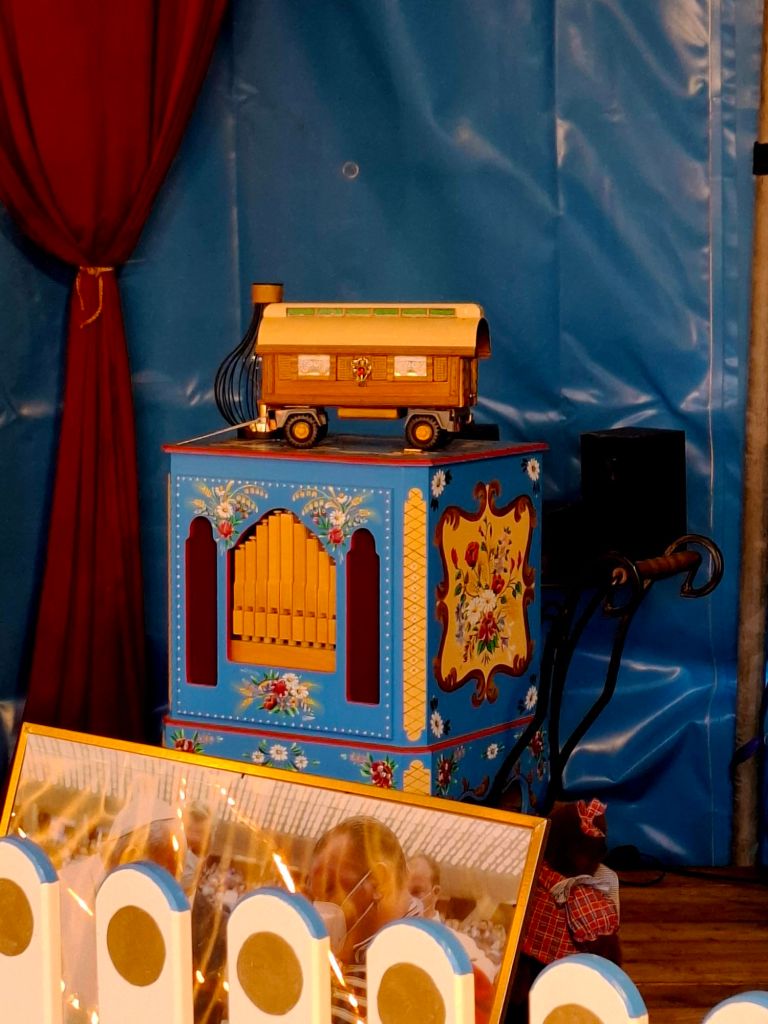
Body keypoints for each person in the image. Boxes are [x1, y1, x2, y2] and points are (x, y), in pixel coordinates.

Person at [309, 817, 493, 1024]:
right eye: (316, 897)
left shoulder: (450, 976)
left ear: (379, 882)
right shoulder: (337, 966)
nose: (319, 911)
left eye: (330, 889)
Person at [58, 792, 186, 1023]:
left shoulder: (142, 909)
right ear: (131, 855)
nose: (167, 889)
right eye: (166, 873)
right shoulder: (60, 894)